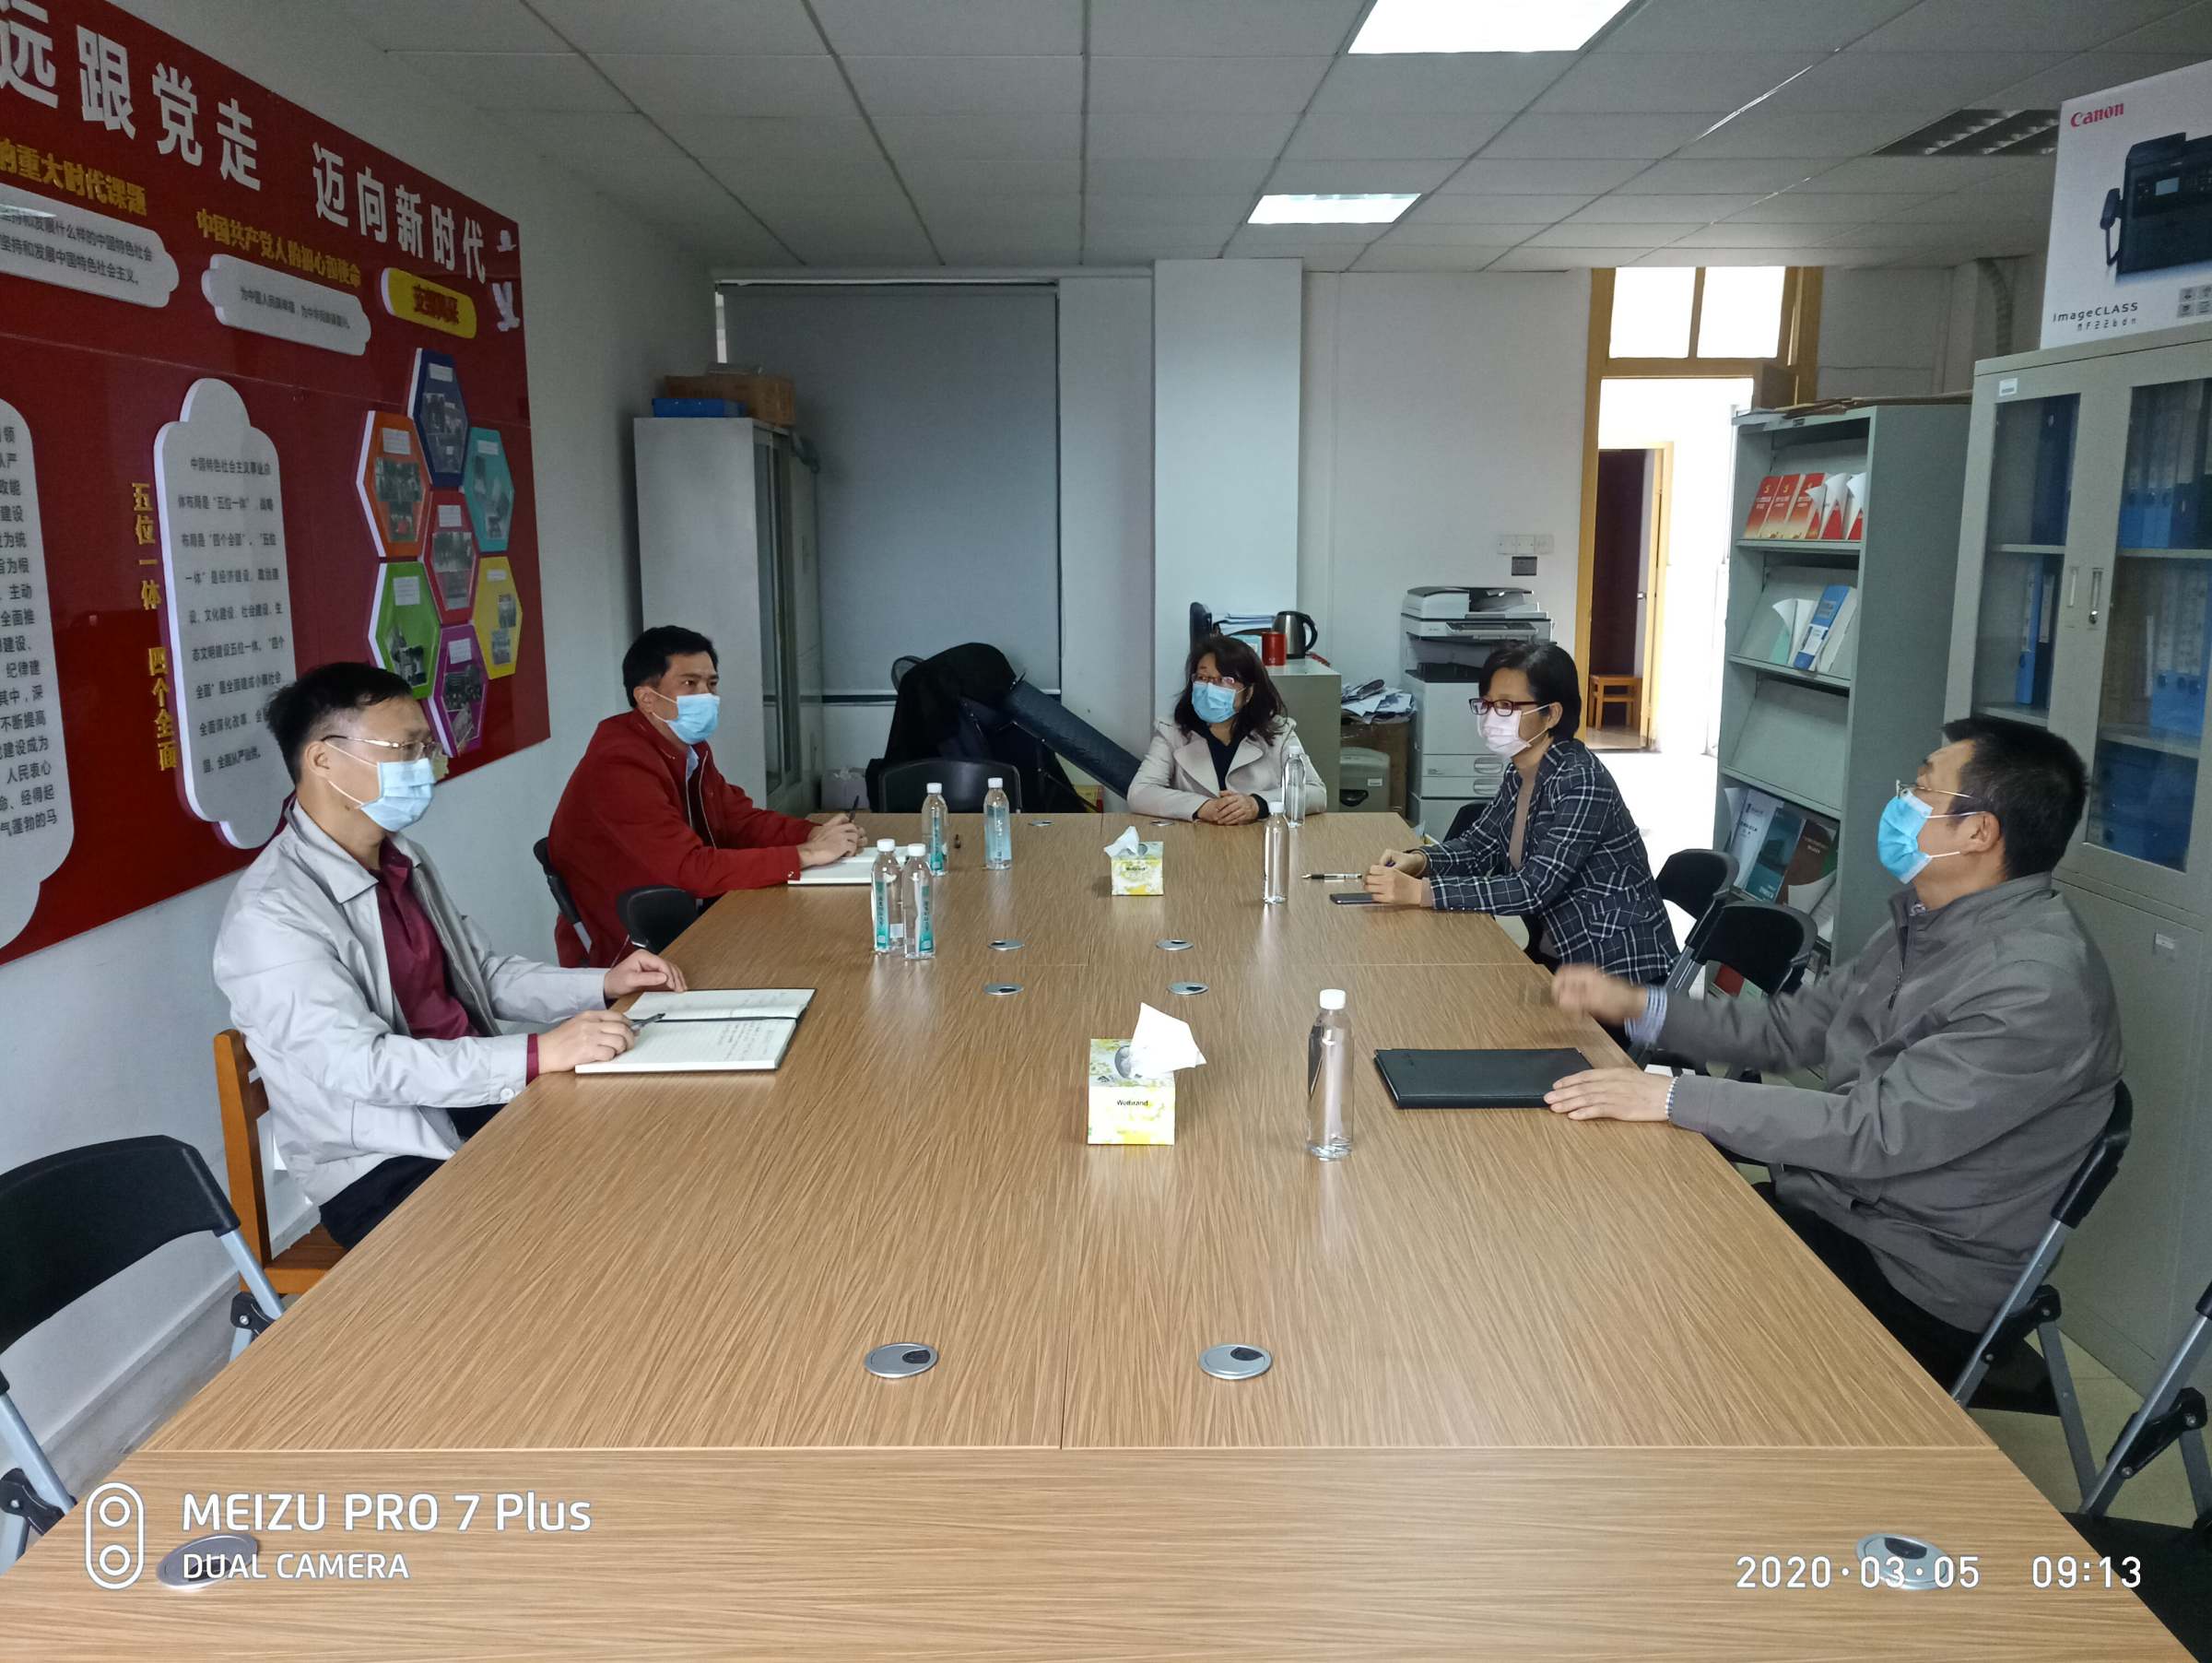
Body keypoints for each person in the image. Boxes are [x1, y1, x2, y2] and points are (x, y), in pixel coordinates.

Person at [1545, 717, 2121, 1384]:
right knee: (1613, 1227)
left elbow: (1874, 1132)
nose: (1900, 804)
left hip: (1914, 1273)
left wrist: (1673, 1096)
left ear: (1978, 832)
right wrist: (1640, 1006)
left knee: (1640, 1303)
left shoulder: (2036, 985)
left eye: (1921, 791)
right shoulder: (1926, 923)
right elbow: (1787, 1031)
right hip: (1835, 1207)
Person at [214, 664, 685, 1248]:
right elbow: (361, 1066)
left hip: (468, 1103)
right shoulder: (272, 913)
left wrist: (602, 984)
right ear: (323, 760)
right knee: (575, 1230)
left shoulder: (400, 858)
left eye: (426, 748)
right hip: (382, 1162)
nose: (425, 767)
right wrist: (538, 1052)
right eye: (404, 749)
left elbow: (479, 974)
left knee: (642, 1152)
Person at [547, 626, 864, 966]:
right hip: (637, 950)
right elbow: (690, 870)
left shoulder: (688, 748)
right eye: (690, 683)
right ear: (647, 698)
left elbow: (739, 821)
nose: (706, 696)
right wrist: (807, 854)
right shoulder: (618, 765)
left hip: (692, 919)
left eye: (711, 684)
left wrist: (815, 833)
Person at [1361, 641, 1675, 983]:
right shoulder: (1521, 771)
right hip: (1556, 955)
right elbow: (1478, 847)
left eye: (1507, 706)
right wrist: (1420, 861)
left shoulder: (1582, 781)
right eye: (1487, 704)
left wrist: (1420, 892)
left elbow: (1532, 888)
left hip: (1615, 970)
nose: (1491, 716)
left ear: (1551, 714)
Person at [1128, 633, 1327, 823]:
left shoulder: (1279, 732)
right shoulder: (1172, 730)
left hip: (1259, 839)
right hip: (1194, 839)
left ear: (1248, 693)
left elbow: (1316, 793)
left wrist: (1258, 804)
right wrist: (1202, 807)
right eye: (1203, 678)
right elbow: (1141, 792)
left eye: (1225, 680)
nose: (1210, 688)